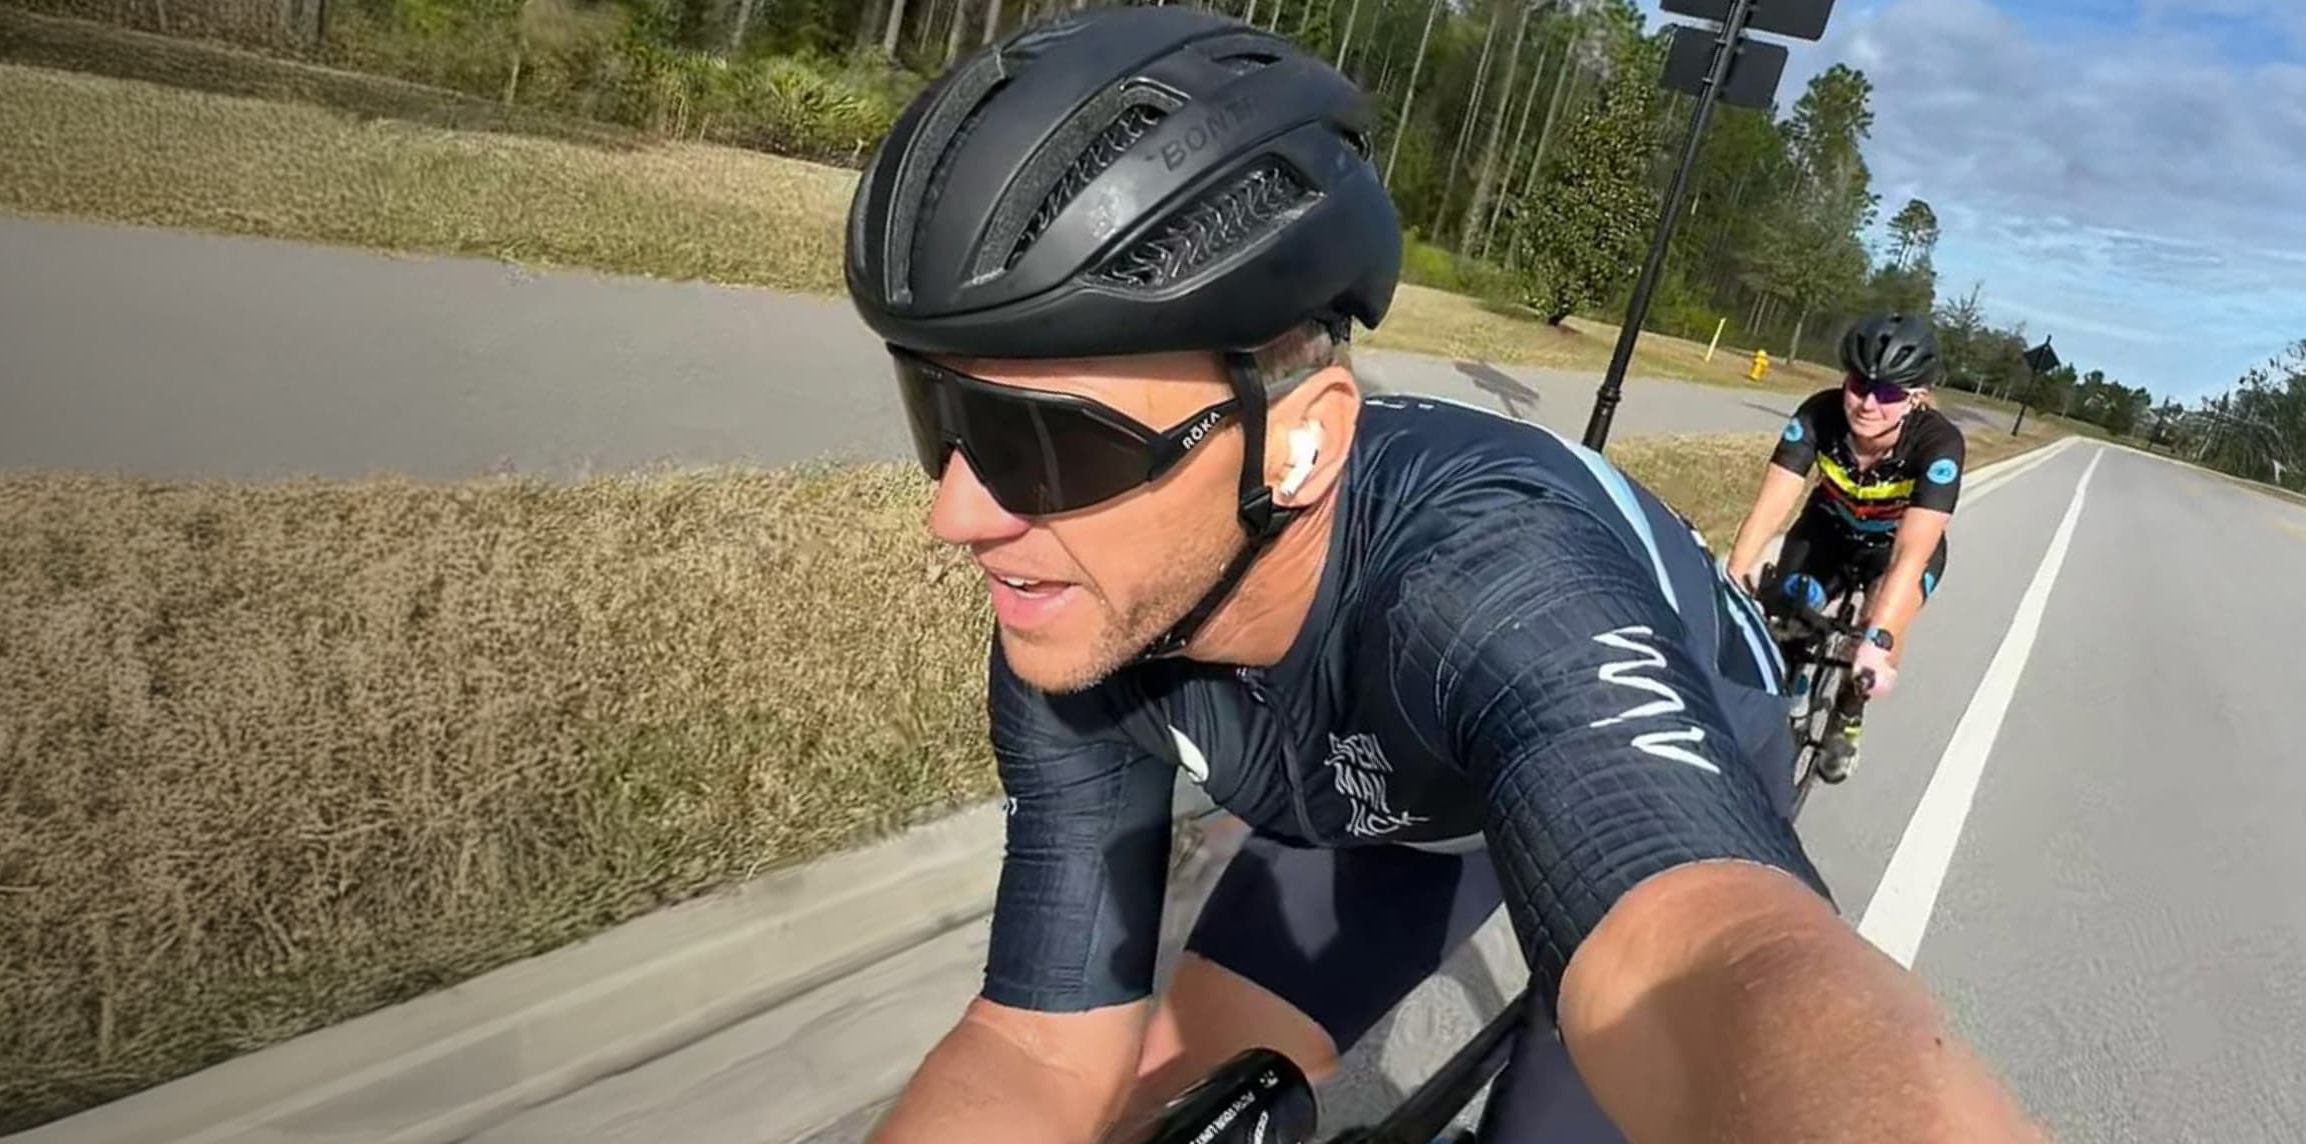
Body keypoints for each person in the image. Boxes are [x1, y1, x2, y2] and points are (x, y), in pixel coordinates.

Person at [841, 9, 2041, 1144]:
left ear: (1299, 444)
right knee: (1178, 1085)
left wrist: (1880, 635)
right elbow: (1040, 1049)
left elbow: (1731, 969)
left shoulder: (1489, 584)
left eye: (1046, 447)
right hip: (1389, 781)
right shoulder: (1080, 598)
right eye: (941, 419)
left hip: (1668, 713)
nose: (959, 513)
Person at [1722, 313, 1965, 781]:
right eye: (1859, 386)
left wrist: (1879, 639)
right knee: (1789, 611)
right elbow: (1771, 506)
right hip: (1827, 529)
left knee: (1877, 630)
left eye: (1889, 394)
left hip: (1892, 548)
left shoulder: (1938, 444)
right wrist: (1732, 579)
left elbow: (1911, 553)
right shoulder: (1819, 413)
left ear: (1916, 397)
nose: (1868, 404)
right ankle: (1793, 682)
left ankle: (1849, 713)